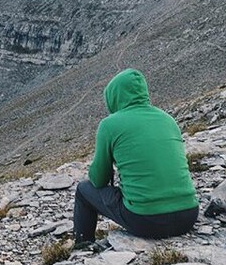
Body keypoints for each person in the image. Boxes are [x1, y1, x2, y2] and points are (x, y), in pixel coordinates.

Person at [73, 68, 199, 245]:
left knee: (83, 189)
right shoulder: (167, 119)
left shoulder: (109, 125)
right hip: (189, 215)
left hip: (146, 221)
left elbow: (98, 180)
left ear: (114, 97)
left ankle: (82, 245)